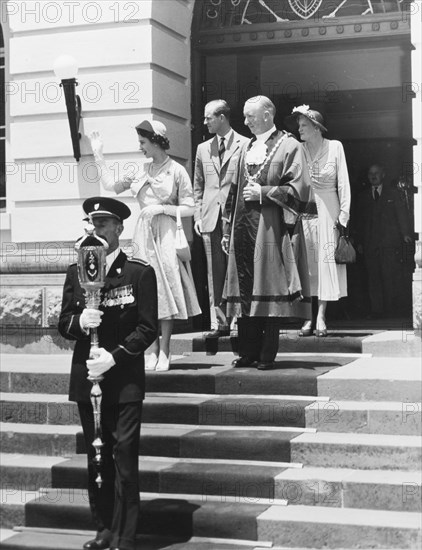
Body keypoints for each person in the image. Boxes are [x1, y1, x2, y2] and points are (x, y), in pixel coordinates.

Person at [58, 197, 158, 550]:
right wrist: (80, 322)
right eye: (91, 223)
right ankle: (104, 529)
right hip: (89, 380)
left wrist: (114, 357)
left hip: (124, 379)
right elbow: (63, 322)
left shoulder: (138, 273)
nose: (95, 229)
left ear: (119, 229)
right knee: (97, 457)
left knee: (125, 456)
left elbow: (147, 329)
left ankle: (126, 535)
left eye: (102, 224)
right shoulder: (76, 271)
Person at [89, 121, 201, 372]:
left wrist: (162, 208)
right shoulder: (141, 170)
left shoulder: (177, 171)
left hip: (167, 234)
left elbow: (191, 207)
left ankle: (165, 351)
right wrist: (98, 154)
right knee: (147, 292)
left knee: (166, 288)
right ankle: (150, 348)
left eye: (142, 142)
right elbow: (110, 186)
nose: (140, 147)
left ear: (156, 141)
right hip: (143, 237)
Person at [223, 96, 316, 371]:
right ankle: (248, 351)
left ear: (267, 115)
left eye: (250, 116)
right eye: (244, 115)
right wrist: (228, 228)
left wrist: (264, 193)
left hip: (270, 229)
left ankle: (267, 354)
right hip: (243, 228)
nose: (245, 121)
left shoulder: (290, 145)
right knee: (245, 290)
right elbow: (233, 190)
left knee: (269, 288)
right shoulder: (245, 148)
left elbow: (300, 189)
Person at [288, 105, 351, 337]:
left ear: (316, 128)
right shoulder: (299, 149)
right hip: (306, 212)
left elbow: (343, 181)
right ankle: (307, 317)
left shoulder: (335, 147)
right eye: (299, 126)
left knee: (325, 263)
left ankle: (321, 316)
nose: (300, 129)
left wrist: (344, 215)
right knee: (308, 266)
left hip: (329, 210)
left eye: (304, 126)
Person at [193, 99, 249, 337]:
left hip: (235, 218)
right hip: (209, 218)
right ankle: (220, 323)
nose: (204, 122)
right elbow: (198, 186)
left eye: (208, 118)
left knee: (236, 269)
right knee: (214, 272)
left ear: (222, 118)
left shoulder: (245, 144)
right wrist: (198, 214)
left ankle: (239, 321)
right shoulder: (203, 148)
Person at [357, 163, 413, 317]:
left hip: (389, 243)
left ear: (383, 175)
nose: (373, 176)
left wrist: (405, 234)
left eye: (376, 173)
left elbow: (401, 216)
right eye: (370, 173)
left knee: (389, 276)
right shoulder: (362, 197)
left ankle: (390, 310)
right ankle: (377, 311)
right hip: (370, 244)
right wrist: (359, 242)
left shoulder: (393, 194)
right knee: (373, 278)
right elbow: (359, 221)